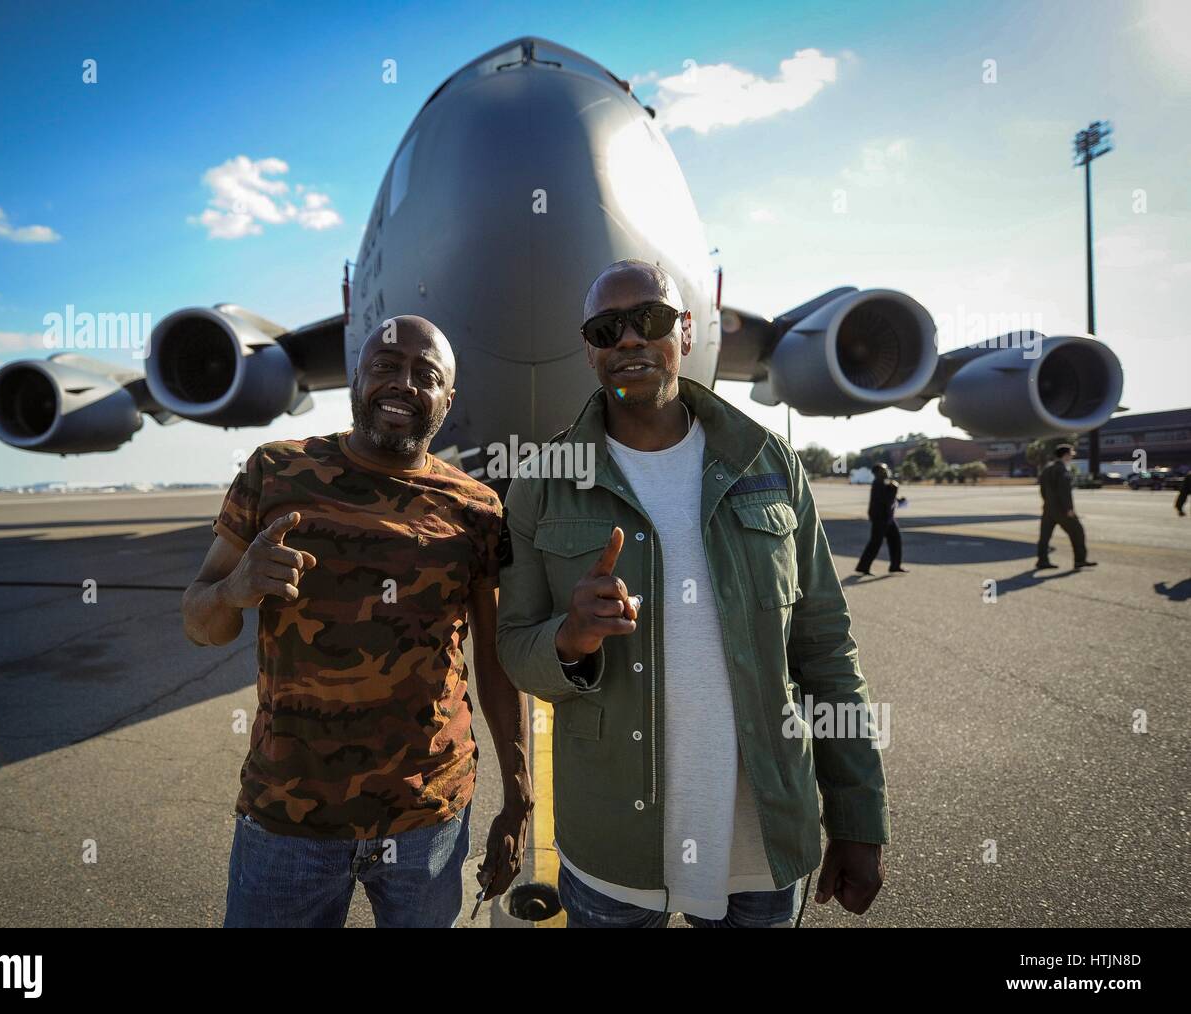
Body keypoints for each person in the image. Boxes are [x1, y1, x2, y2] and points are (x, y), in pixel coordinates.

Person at [496, 259, 888, 928]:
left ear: (684, 330)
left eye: (647, 320)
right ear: (590, 349)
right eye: (606, 328)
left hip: (759, 843)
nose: (627, 341)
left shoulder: (766, 462)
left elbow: (825, 648)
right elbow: (515, 648)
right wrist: (570, 640)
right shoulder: (543, 481)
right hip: (613, 849)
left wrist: (858, 816)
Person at [181, 315, 533, 927]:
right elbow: (198, 621)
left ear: (447, 401)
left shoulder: (477, 510)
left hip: (429, 818)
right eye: (387, 367)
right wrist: (235, 589)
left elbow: (497, 661)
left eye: (426, 376)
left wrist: (519, 797)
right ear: (357, 377)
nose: (403, 384)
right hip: (289, 819)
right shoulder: (276, 472)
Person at [1035, 443, 1096, 569]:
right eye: (1071, 454)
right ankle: (1080, 560)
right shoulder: (1062, 470)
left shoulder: (1047, 469)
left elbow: (1042, 490)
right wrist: (1069, 509)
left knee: (1045, 536)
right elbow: (1064, 492)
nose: (1071, 457)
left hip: (1048, 508)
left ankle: (1042, 560)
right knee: (1077, 531)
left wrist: (1048, 503)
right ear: (1066, 455)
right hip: (1062, 510)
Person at [855, 463, 906, 574]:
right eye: (883, 470)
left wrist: (899, 498)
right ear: (877, 472)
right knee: (875, 543)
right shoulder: (878, 484)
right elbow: (887, 498)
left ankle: (895, 565)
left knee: (895, 540)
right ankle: (863, 567)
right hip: (880, 519)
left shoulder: (882, 484)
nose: (886, 471)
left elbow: (890, 497)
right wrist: (895, 488)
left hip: (888, 518)